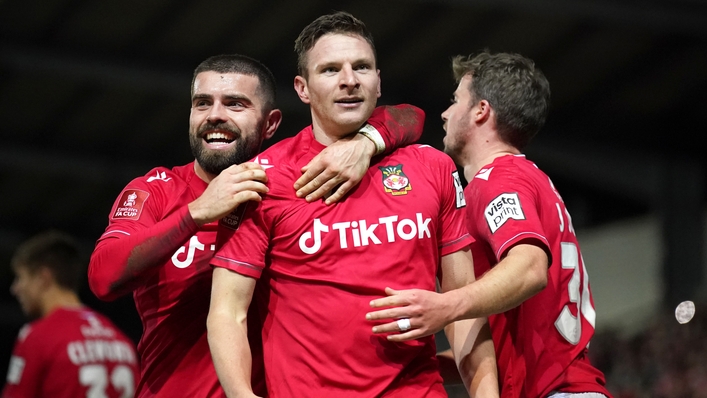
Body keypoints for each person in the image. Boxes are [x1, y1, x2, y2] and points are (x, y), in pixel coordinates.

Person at [87, 53, 424, 397]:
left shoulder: (293, 185)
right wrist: (197, 212)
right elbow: (102, 278)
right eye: (202, 103)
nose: (215, 115)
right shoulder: (158, 190)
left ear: (271, 123)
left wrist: (365, 143)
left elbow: (410, 115)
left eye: (235, 104)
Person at [207, 12, 498, 398]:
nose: (349, 80)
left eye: (361, 67)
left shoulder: (433, 167)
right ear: (303, 88)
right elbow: (228, 311)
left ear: (378, 81)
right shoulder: (262, 180)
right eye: (330, 70)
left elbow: (462, 307)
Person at [366, 51, 612, 397]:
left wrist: (444, 306)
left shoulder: (497, 179)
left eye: (455, 101)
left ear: (481, 111)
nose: (445, 112)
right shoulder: (526, 178)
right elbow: (500, 344)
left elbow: (529, 267)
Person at [2, 231, 139, 398]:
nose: (16, 288)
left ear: (43, 278)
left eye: (20, 278)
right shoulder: (121, 340)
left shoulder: (38, 337)